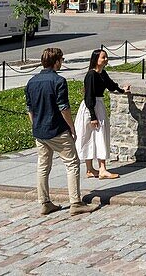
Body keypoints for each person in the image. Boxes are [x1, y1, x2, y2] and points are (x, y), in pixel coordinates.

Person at [24, 46, 90, 217]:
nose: (62, 63)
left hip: (39, 130)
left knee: (43, 166)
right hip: (57, 129)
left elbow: (29, 109)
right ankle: (75, 202)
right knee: (72, 163)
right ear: (56, 62)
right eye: (61, 60)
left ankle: (44, 201)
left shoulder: (31, 82)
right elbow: (63, 108)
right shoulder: (59, 81)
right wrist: (71, 127)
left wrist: (35, 125)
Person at [75, 49, 131, 179]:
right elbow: (89, 96)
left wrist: (123, 90)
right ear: (96, 60)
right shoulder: (91, 75)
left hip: (98, 106)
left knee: (99, 136)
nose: (106, 59)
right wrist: (93, 116)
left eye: (106, 57)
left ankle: (96, 169)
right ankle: (96, 169)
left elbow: (111, 86)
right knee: (90, 136)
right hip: (91, 108)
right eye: (103, 57)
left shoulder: (102, 73)